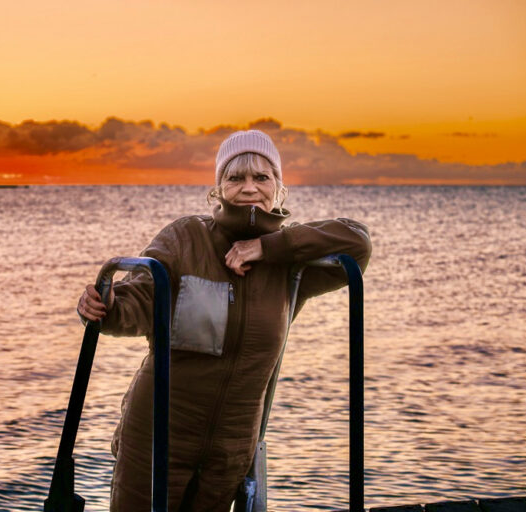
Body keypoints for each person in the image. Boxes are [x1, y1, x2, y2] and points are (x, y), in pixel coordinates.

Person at [77, 129, 371, 511]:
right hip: (157, 435)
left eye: (261, 177)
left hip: (231, 449)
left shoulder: (291, 263)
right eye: (236, 177)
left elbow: (358, 244)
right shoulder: (187, 237)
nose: (249, 188)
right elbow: (139, 298)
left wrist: (268, 247)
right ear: (218, 188)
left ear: (279, 187)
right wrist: (106, 306)